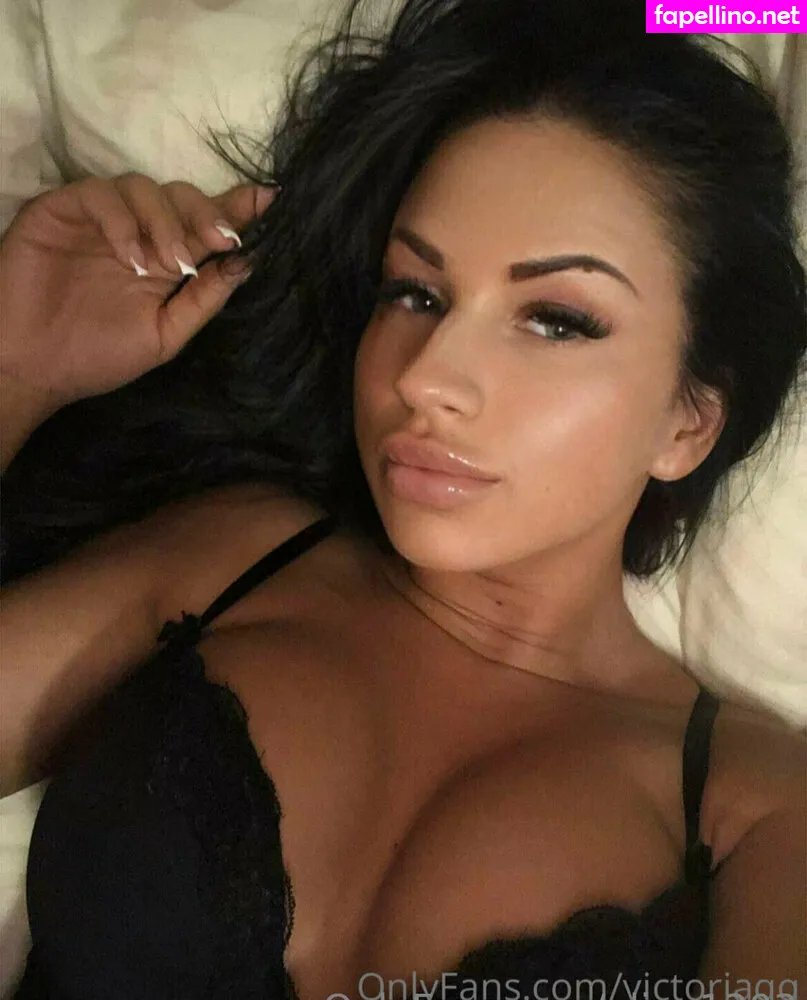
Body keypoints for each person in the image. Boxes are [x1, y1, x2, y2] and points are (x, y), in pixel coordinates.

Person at [1, 0, 805, 993]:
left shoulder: (760, 808)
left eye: (555, 320)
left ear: (687, 421)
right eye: (414, 294)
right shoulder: (235, 561)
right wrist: (16, 371)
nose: (424, 378)